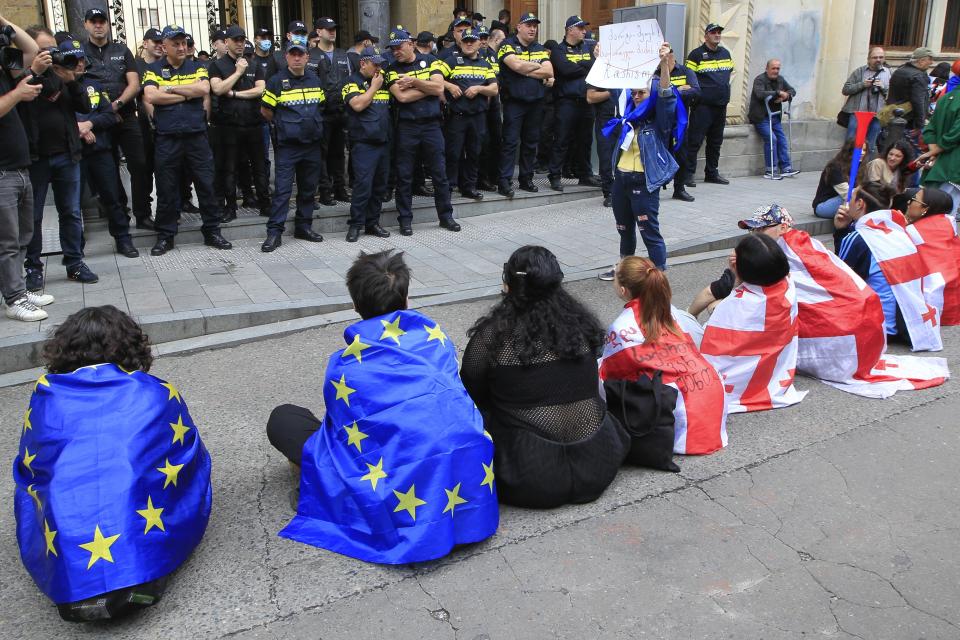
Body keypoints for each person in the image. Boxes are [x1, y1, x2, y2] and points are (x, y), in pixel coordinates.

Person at [269, 250, 498, 563]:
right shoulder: (437, 340)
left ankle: (321, 488)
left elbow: (342, 439)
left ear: (355, 304)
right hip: (464, 483)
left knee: (284, 419)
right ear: (406, 299)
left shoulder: (344, 367)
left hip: (400, 492)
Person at [14, 305, 211, 621]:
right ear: (133, 346)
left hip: (68, 566)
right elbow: (188, 454)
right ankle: (139, 571)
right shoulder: (155, 392)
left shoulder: (46, 396)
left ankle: (78, 581)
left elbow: (29, 469)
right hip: (139, 555)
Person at [461, 246, 629, 508]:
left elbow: (471, 391)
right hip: (599, 460)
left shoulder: (492, 336)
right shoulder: (580, 326)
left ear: (508, 285)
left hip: (528, 475)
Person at [599, 256, 728, 455]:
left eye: (615, 276)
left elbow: (608, 375)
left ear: (623, 290)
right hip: (711, 394)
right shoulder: (672, 312)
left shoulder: (621, 327)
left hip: (678, 412)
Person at [142, 24, 232, 256]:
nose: (182, 47)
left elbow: (202, 89)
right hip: (167, 138)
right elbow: (151, 96)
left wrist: (169, 89)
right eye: (176, 44)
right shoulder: (152, 69)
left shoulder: (198, 66)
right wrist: (184, 93)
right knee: (166, 187)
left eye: (184, 43)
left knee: (206, 184)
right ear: (164, 46)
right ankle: (165, 236)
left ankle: (212, 231)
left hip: (196, 137)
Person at [22, 30, 98, 288]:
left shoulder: (62, 75)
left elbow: (85, 107)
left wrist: (72, 81)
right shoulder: (20, 75)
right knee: (33, 217)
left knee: (71, 213)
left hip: (67, 154)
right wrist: (34, 72)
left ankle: (74, 263)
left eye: (53, 48)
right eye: (44, 48)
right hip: (36, 158)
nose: (51, 53)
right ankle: (33, 267)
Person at [599, 44, 682, 280]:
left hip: (643, 182)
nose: (636, 97)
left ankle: (659, 273)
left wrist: (664, 63)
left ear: (650, 94)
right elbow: (617, 89)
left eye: (641, 93)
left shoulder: (659, 122)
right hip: (621, 179)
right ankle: (624, 269)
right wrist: (601, 60)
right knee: (624, 229)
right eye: (634, 93)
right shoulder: (627, 118)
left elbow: (666, 95)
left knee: (649, 231)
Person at [699, 233, 807, 413]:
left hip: (731, 383)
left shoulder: (738, 304)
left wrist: (736, 275)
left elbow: (710, 345)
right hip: (770, 371)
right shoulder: (788, 286)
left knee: (711, 306)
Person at [834, 181, 942, 351]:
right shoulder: (900, 231)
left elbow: (838, 281)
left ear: (860, 204)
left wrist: (841, 231)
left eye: (852, 198)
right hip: (906, 322)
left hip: (878, 327)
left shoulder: (858, 238)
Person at [0, 14, 57, 322]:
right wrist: (18, 94)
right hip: (2, 172)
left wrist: (2, 18)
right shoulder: (10, 83)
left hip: (19, 167)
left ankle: (18, 289)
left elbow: (32, 47)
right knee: (6, 242)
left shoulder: (4, 67)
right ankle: (13, 299)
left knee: (23, 235)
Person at [384, 27, 461, 235]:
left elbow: (438, 89)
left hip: (431, 126)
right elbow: (402, 98)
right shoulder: (391, 69)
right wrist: (427, 88)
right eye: (392, 49)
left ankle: (446, 217)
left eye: (399, 47)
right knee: (405, 176)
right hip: (407, 127)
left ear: (410, 43)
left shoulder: (432, 61)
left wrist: (415, 82)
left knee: (439, 174)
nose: (395, 52)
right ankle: (405, 220)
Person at [82, 8, 151, 230]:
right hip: (99, 121)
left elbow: (134, 83)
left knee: (139, 164)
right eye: (94, 22)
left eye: (102, 21)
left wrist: (116, 105)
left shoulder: (122, 51)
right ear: (86, 25)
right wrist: (106, 113)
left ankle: (143, 214)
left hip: (126, 115)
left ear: (109, 24)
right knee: (107, 169)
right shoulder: (81, 52)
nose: (98, 25)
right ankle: (120, 213)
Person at [259, 35, 325, 252]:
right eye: (293, 54)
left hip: (312, 145)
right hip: (288, 146)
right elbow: (266, 110)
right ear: (286, 56)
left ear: (307, 57)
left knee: (308, 190)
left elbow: (320, 107)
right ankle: (274, 233)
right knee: (283, 191)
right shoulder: (276, 81)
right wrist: (285, 126)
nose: (297, 58)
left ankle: (303, 227)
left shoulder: (315, 79)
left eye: (301, 54)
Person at [75, 39, 139, 258]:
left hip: (99, 149)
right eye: (72, 60)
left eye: (81, 60)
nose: (78, 64)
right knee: (72, 203)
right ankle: (75, 249)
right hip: (73, 152)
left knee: (111, 196)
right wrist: (79, 128)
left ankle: (123, 238)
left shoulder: (93, 85)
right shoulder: (56, 86)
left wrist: (90, 124)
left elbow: (108, 115)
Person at [688, 204, 794, 319]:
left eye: (760, 229)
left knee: (715, 305)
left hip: (770, 317)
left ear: (783, 227)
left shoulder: (787, 258)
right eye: (752, 229)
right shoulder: (804, 248)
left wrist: (687, 319)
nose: (754, 235)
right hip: (784, 317)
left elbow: (716, 290)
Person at [208, 25, 269, 221]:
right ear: (226, 42)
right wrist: (237, 73)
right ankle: (230, 208)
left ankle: (265, 204)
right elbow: (217, 89)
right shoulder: (217, 65)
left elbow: (260, 90)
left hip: (253, 124)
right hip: (229, 126)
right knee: (229, 168)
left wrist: (235, 93)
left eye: (242, 39)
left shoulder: (254, 64)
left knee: (259, 166)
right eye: (236, 40)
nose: (240, 43)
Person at [496, 12, 553, 198]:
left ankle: (526, 179)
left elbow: (549, 71)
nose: (532, 28)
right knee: (510, 143)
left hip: (536, 103)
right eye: (528, 25)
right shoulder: (507, 45)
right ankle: (504, 181)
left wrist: (526, 68)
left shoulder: (538, 47)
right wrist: (536, 67)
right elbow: (516, 66)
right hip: (514, 103)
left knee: (530, 143)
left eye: (535, 25)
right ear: (518, 27)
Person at [439, 27, 498, 201]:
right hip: (457, 117)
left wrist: (479, 88)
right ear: (461, 43)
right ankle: (448, 187)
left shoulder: (485, 64)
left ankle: (469, 187)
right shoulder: (451, 61)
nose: (469, 44)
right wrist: (449, 86)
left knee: (474, 153)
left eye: (473, 41)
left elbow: (494, 89)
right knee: (453, 153)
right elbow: (433, 78)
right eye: (466, 41)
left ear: (480, 43)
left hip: (478, 117)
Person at [342, 47, 391, 242]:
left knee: (380, 186)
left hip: (383, 141)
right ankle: (355, 225)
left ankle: (372, 223)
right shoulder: (351, 82)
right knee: (363, 186)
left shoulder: (381, 80)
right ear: (363, 63)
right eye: (375, 64)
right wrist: (373, 87)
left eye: (381, 64)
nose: (379, 68)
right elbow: (357, 105)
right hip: (363, 143)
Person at [547, 16, 599, 193]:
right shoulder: (558, 50)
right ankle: (554, 175)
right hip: (566, 102)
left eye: (585, 28)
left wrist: (583, 64)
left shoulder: (588, 47)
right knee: (561, 139)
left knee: (585, 140)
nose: (585, 31)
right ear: (570, 30)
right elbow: (565, 70)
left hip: (587, 101)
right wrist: (587, 65)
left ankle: (585, 175)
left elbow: (596, 66)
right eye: (581, 28)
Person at [901, 186, 960, 326]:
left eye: (914, 200)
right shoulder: (948, 223)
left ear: (925, 209)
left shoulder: (910, 231)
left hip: (932, 303)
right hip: (954, 300)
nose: (909, 203)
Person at [683, 23, 733, 187]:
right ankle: (687, 174)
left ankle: (711, 173)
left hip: (721, 105)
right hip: (703, 106)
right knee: (694, 141)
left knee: (715, 141)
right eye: (713, 33)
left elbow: (727, 76)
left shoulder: (726, 53)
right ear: (706, 36)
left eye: (719, 33)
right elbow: (688, 79)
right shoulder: (696, 55)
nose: (717, 35)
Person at [309, 17, 352, 205]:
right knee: (322, 153)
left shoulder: (343, 55)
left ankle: (340, 188)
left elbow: (349, 81)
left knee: (339, 152)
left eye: (334, 28)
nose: (332, 32)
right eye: (328, 29)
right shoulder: (311, 56)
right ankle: (325, 191)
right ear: (319, 32)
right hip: (322, 113)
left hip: (341, 112)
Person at [133, 28, 163, 231]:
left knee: (165, 172)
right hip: (141, 128)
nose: (159, 45)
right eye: (155, 41)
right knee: (142, 173)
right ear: (145, 43)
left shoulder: (166, 66)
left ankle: (167, 212)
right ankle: (142, 214)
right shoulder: (136, 67)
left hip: (165, 126)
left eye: (162, 41)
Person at [749, 59, 798, 179]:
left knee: (781, 139)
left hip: (774, 116)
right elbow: (760, 94)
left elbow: (792, 90)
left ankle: (786, 168)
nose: (776, 71)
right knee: (772, 139)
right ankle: (770, 170)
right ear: (767, 69)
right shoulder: (759, 80)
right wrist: (778, 92)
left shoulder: (780, 79)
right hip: (761, 117)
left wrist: (785, 96)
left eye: (778, 68)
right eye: (773, 68)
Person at [885, 47, 934, 166]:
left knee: (894, 152)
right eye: (930, 59)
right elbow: (918, 101)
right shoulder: (919, 76)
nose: (931, 62)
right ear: (921, 61)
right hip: (910, 122)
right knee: (911, 155)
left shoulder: (900, 70)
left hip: (893, 117)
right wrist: (919, 124)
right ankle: (911, 182)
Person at [917, 87, 960, 215]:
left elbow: (930, 129)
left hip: (939, 160)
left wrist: (933, 152)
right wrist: (933, 153)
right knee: (946, 210)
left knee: (931, 205)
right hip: (954, 162)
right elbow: (955, 135)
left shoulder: (945, 98)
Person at [664, 52, 700, 202]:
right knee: (656, 154)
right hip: (660, 122)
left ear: (672, 55)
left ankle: (679, 189)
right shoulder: (656, 72)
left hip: (679, 122)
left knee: (682, 156)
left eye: (666, 55)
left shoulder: (686, 71)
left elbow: (696, 90)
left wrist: (673, 91)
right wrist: (680, 89)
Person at [840, 47, 889, 153]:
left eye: (881, 57)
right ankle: (846, 167)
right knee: (850, 143)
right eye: (875, 57)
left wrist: (883, 87)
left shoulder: (888, 73)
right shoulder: (859, 72)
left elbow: (891, 95)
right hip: (857, 113)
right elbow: (845, 90)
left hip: (877, 115)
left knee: (870, 146)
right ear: (868, 59)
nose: (878, 60)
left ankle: (864, 168)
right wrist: (863, 84)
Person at [252, 28, 279, 179]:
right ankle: (264, 185)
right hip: (258, 112)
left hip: (276, 112)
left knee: (280, 151)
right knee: (262, 154)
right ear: (256, 39)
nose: (266, 40)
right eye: (262, 37)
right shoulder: (251, 60)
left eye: (268, 37)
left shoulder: (276, 59)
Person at [812, 139, 857, 219]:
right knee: (856, 196)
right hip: (823, 206)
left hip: (845, 202)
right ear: (849, 151)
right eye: (860, 150)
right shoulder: (835, 166)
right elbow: (847, 194)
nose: (862, 153)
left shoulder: (861, 167)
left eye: (864, 150)